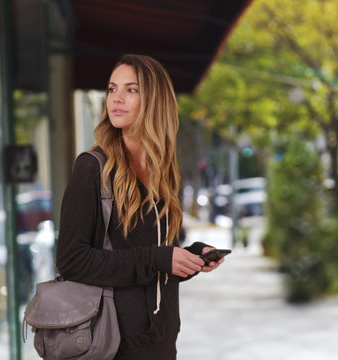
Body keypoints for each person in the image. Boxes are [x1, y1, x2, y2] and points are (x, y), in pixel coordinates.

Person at [55, 54, 224, 359]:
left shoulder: (164, 170)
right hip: (110, 344)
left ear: (155, 101)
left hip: (160, 341)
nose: (116, 98)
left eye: (131, 90)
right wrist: (158, 258)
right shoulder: (93, 168)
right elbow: (71, 261)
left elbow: (156, 256)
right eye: (112, 89)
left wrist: (192, 256)